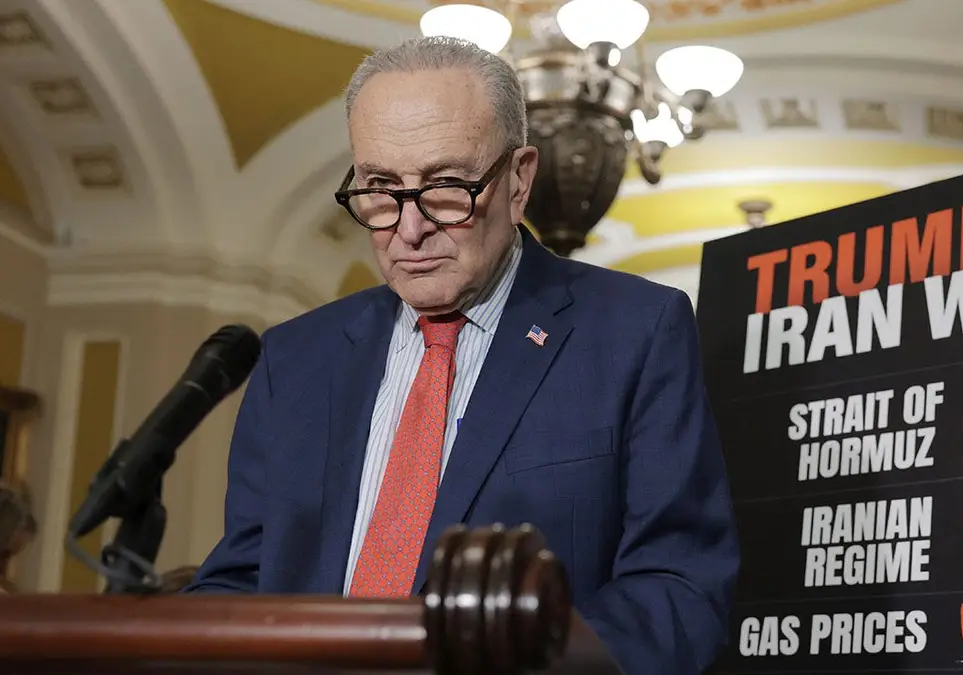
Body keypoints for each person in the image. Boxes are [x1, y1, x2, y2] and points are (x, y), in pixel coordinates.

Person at [186, 36, 739, 675]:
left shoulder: (637, 331)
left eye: (446, 185)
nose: (409, 227)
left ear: (518, 180)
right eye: (380, 187)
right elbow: (240, 583)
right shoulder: (296, 359)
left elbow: (678, 589)